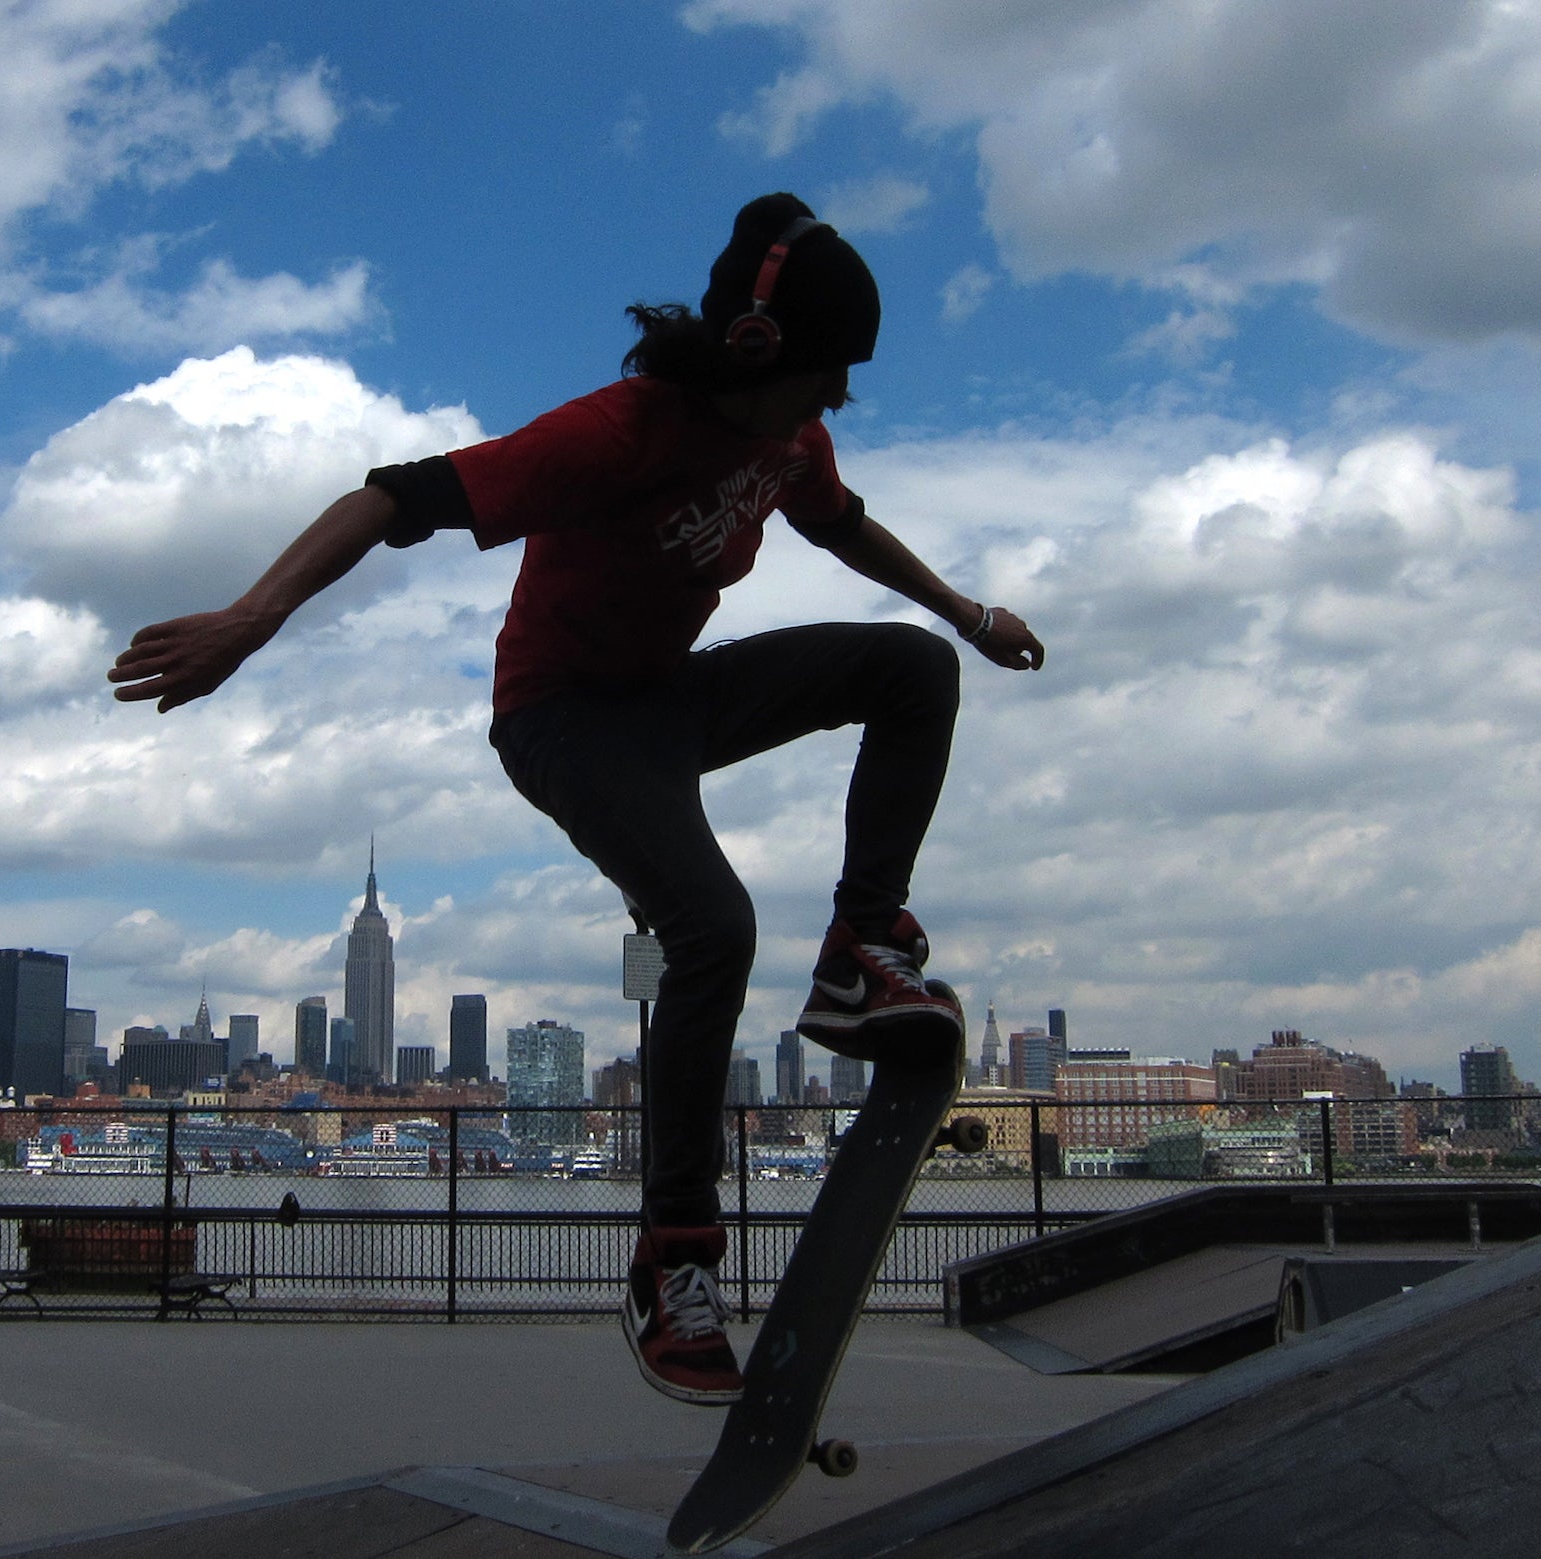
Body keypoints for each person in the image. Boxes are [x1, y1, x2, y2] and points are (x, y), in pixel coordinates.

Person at [109, 193, 1044, 1403]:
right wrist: (252, 615)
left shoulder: (790, 441)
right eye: (821, 380)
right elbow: (391, 493)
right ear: (752, 350)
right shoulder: (617, 433)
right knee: (713, 924)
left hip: (670, 698)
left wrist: (968, 614)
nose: (830, 410)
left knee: (912, 669)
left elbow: (846, 528)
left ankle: (864, 949)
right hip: (561, 721)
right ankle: (674, 1258)